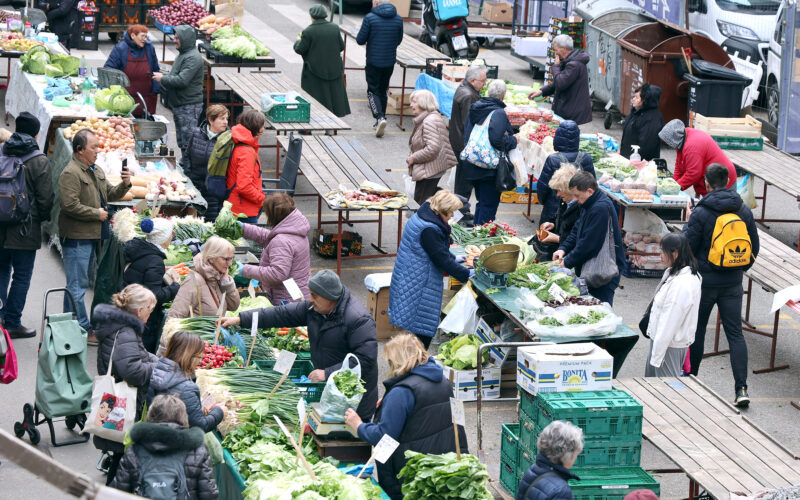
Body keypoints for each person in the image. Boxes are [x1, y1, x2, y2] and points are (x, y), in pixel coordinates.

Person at [219, 270, 379, 420]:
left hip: (355, 399)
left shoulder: (358, 320)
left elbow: (366, 359)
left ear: (330, 298)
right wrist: (241, 319)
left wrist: (328, 373)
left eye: (315, 296)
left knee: (353, 442)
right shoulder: (314, 309)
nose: (310, 299)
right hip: (332, 391)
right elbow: (280, 314)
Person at [343, 334, 467, 500]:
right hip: (438, 465)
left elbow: (383, 436)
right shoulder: (442, 381)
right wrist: (389, 404)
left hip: (408, 471)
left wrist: (358, 425)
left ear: (398, 361)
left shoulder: (402, 392)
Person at [684, 163, 759, 407]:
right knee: (735, 334)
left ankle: (691, 382)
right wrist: (737, 270)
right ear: (728, 181)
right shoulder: (743, 210)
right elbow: (753, 249)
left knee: (697, 331)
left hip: (705, 281)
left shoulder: (702, 212)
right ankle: (742, 389)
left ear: (706, 183)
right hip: (733, 283)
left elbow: (687, 247)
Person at [59, 129, 131, 342]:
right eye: (94, 147)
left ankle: (68, 326)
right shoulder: (70, 173)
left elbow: (109, 193)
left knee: (78, 283)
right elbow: (69, 205)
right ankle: (82, 329)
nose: (98, 151)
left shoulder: (94, 169)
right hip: (77, 237)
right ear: (80, 150)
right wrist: (96, 213)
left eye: (98, 146)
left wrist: (125, 184)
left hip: (92, 235)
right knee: (77, 285)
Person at [388, 190, 471, 349]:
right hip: (420, 283)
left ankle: (410, 366)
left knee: (414, 330)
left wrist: (452, 257)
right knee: (421, 331)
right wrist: (466, 273)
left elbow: (435, 250)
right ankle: (414, 368)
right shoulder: (429, 229)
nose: (453, 215)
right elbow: (441, 258)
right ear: (442, 210)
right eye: (451, 212)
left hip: (409, 275)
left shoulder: (424, 215)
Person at [94, 284, 158, 484]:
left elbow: (137, 355)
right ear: (139, 311)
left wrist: (159, 361)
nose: (151, 314)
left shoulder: (121, 325)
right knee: (122, 453)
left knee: (120, 452)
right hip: (122, 399)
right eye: (150, 309)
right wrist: (157, 369)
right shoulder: (126, 332)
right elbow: (133, 371)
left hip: (113, 397)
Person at [0, 113, 53, 339]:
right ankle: (12, 322)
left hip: (0, 224)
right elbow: (46, 199)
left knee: (1, 270)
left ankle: (1, 315)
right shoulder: (39, 160)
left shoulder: (2, 151)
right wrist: (39, 220)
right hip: (25, 228)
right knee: (21, 276)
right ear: (36, 133)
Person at [110, 394, 218, 499]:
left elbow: (118, 491)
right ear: (183, 417)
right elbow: (209, 494)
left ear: (151, 415)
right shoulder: (198, 450)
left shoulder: (135, 450)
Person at [552, 171, 626, 305]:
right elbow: (577, 229)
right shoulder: (587, 203)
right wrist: (563, 249)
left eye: (577, 195)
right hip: (591, 269)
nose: (574, 199)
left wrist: (567, 262)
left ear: (590, 191)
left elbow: (588, 245)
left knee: (599, 308)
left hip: (604, 271)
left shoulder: (600, 208)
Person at [462, 79, 518, 225]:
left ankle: (476, 230)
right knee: (489, 204)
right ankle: (481, 237)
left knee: (482, 202)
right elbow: (497, 140)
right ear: (503, 96)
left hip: (473, 164)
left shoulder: (476, 107)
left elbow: (467, 133)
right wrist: (514, 140)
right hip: (489, 169)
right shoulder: (498, 113)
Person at [645, 233, 701, 377]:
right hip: (662, 343)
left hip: (668, 346)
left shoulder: (681, 285)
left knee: (665, 390)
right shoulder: (675, 274)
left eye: (663, 252)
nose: (660, 255)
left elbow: (669, 321)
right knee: (653, 388)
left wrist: (657, 356)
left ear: (675, 253)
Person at [122, 218, 180, 353]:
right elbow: (155, 295)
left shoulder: (142, 250)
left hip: (131, 307)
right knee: (140, 352)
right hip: (144, 316)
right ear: (162, 238)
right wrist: (175, 287)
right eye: (170, 233)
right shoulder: (155, 260)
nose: (172, 236)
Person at [241, 193, 311, 305]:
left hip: (286, 298)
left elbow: (277, 273)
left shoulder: (281, 241)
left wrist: (244, 270)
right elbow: (269, 237)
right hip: (298, 291)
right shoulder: (296, 228)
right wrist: (243, 228)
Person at [148, 331, 225, 432]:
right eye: (200, 357)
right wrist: (219, 411)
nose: (200, 361)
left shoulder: (157, 371)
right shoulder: (187, 388)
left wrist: (198, 410)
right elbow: (200, 426)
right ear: (190, 357)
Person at [152, 25, 204, 158]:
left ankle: (189, 171)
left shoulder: (192, 58)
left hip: (188, 106)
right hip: (181, 104)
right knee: (182, 141)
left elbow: (182, 80)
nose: (174, 40)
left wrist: (162, 79)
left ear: (185, 39)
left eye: (177, 38)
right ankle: (186, 166)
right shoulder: (184, 54)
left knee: (188, 142)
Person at [166, 236, 241, 326]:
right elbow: (173, 319)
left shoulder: (217, 278)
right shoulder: (193, 281)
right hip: (196, 339)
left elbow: (233, 306)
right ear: (212, 258)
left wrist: (226, 283)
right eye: (226, 259)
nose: (230, 264)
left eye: (231, 258)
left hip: (212, 338)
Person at [356, 0, 403, 137]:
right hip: (389, 61)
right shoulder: (398, 19)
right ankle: (382, 118)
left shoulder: (370, 18)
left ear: (376, 3)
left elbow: (360, 39)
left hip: (373, 61)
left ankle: (379, 117)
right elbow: (398, 40)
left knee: (372, 90)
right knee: (383, 89)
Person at [293, 5, 351, 118]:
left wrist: (297, 41)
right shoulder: (334, 28)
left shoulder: (308, 31)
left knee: (313, 98)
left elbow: (300, 49)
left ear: (312, 16)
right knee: (332, 97)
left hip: (314, 71)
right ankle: (331, 126)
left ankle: (309, 127)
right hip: (334, 68)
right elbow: (341, 46)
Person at [537, 120, 595, 225]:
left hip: (552, 210)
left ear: (558, 137)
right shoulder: (586, 158)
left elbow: (542, 188)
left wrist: (545, 203)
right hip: (578, 211)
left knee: (548, 237)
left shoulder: (553, 159)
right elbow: (593, 186)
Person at [449, 65, 487, 224]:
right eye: (482, 81)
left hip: (458, 141)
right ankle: (461, 212)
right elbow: (469, 123)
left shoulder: (465, 89)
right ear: (472, 80)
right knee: (464, 180)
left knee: (462, 178)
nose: (484, 84)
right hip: (463, 144)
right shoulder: (469, 96)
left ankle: (461, 209)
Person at [659, 119, 736, 196]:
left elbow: (693, 173)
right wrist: (673, 183)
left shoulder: (692, 147)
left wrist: (675, 188)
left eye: (668, 142)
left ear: (674, 139)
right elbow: (679, 166)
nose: (668, 145)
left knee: (720, 206)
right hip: (709, 181)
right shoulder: (682, 137)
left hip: (721, 180)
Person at [180, 105, 230, 221]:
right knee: (191, 220)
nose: (225, 122)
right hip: (194, 187)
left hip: (213, 191)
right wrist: (189, 175)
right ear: (211, 120)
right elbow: (187, 156)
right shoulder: (196, 133)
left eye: (226, 119)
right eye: (222, 119)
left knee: (209, 223)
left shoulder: (228, 140)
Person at [407, 90, 457, 205]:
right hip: (431, 169)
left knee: (421, 204)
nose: (411, 105)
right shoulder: (430, 117)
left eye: (414, 102)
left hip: (429, 170)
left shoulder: (429, 121)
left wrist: (413, 158)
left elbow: (433, 148)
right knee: (427, 200)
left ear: (423, 103)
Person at [528, 35, 591, 125]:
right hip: (569, 108)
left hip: (572, 111)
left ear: (564, 49)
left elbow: (561, 83)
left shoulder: (574, 65)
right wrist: (541, 91)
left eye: (556, 50)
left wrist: (556, 66)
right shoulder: (569, 61)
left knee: (566, 136)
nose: (555, 53)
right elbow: (558, 82)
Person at [103, 25, 161, 118]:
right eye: (142, 36)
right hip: (125, 100)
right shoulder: (121, 49)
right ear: (133, 36)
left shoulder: (149, 48)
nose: (145, 39)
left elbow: (155, 70)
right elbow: (109, 71)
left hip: (146, 99)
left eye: (146, 36)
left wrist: (155, 91)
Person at [516, 420, 583, 500]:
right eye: (576, 453)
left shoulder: (533, 471)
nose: (576, 457)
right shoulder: (561, 492)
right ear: (567, 455)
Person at [530, 165, 580, 262]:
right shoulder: (564, 201)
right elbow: (562, 220)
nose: (557, 194)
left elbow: (578, 239)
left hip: (569, 256)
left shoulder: (581, 208)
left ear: (570, 189)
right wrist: (552, 224)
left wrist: (557, 238)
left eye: (560, 191)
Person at [226, 110, 266, 224]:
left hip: (238, 207)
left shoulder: (241, 142)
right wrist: (261, 198)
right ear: (256, 127)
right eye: (263, 126)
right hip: (244, 210)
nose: (264, 129)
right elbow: (244, 186)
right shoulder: (247, 151)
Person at [620, 84, 663, 161]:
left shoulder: (652, 118)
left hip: (639, 163)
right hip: (627, 159)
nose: (633, 99)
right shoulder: (636, 111)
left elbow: (646, 146)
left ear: (645, 100)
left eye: (636, 97)